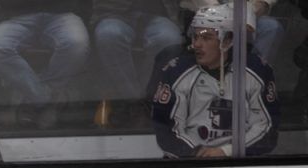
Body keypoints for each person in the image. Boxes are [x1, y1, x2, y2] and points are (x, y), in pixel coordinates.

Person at [151, 1, 279, 156]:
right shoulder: (176, 71)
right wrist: (199, 154)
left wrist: (226, 152)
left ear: (228, 40)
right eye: (195, 37)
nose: (197, 44)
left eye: (206, 38)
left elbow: (267, 129)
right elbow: (166, 131)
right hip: (188, 166)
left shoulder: (257, 70)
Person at [0, 0, 92, 129]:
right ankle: (48, 102)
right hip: (16, 16)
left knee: (77, 44)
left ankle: (33, 100)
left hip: (63, 13)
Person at [92, 0, 183, 126]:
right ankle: (134, 101)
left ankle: (146, 100)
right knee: (108, 36)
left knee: (170, 40)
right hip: (113, 12)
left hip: (160, 13)